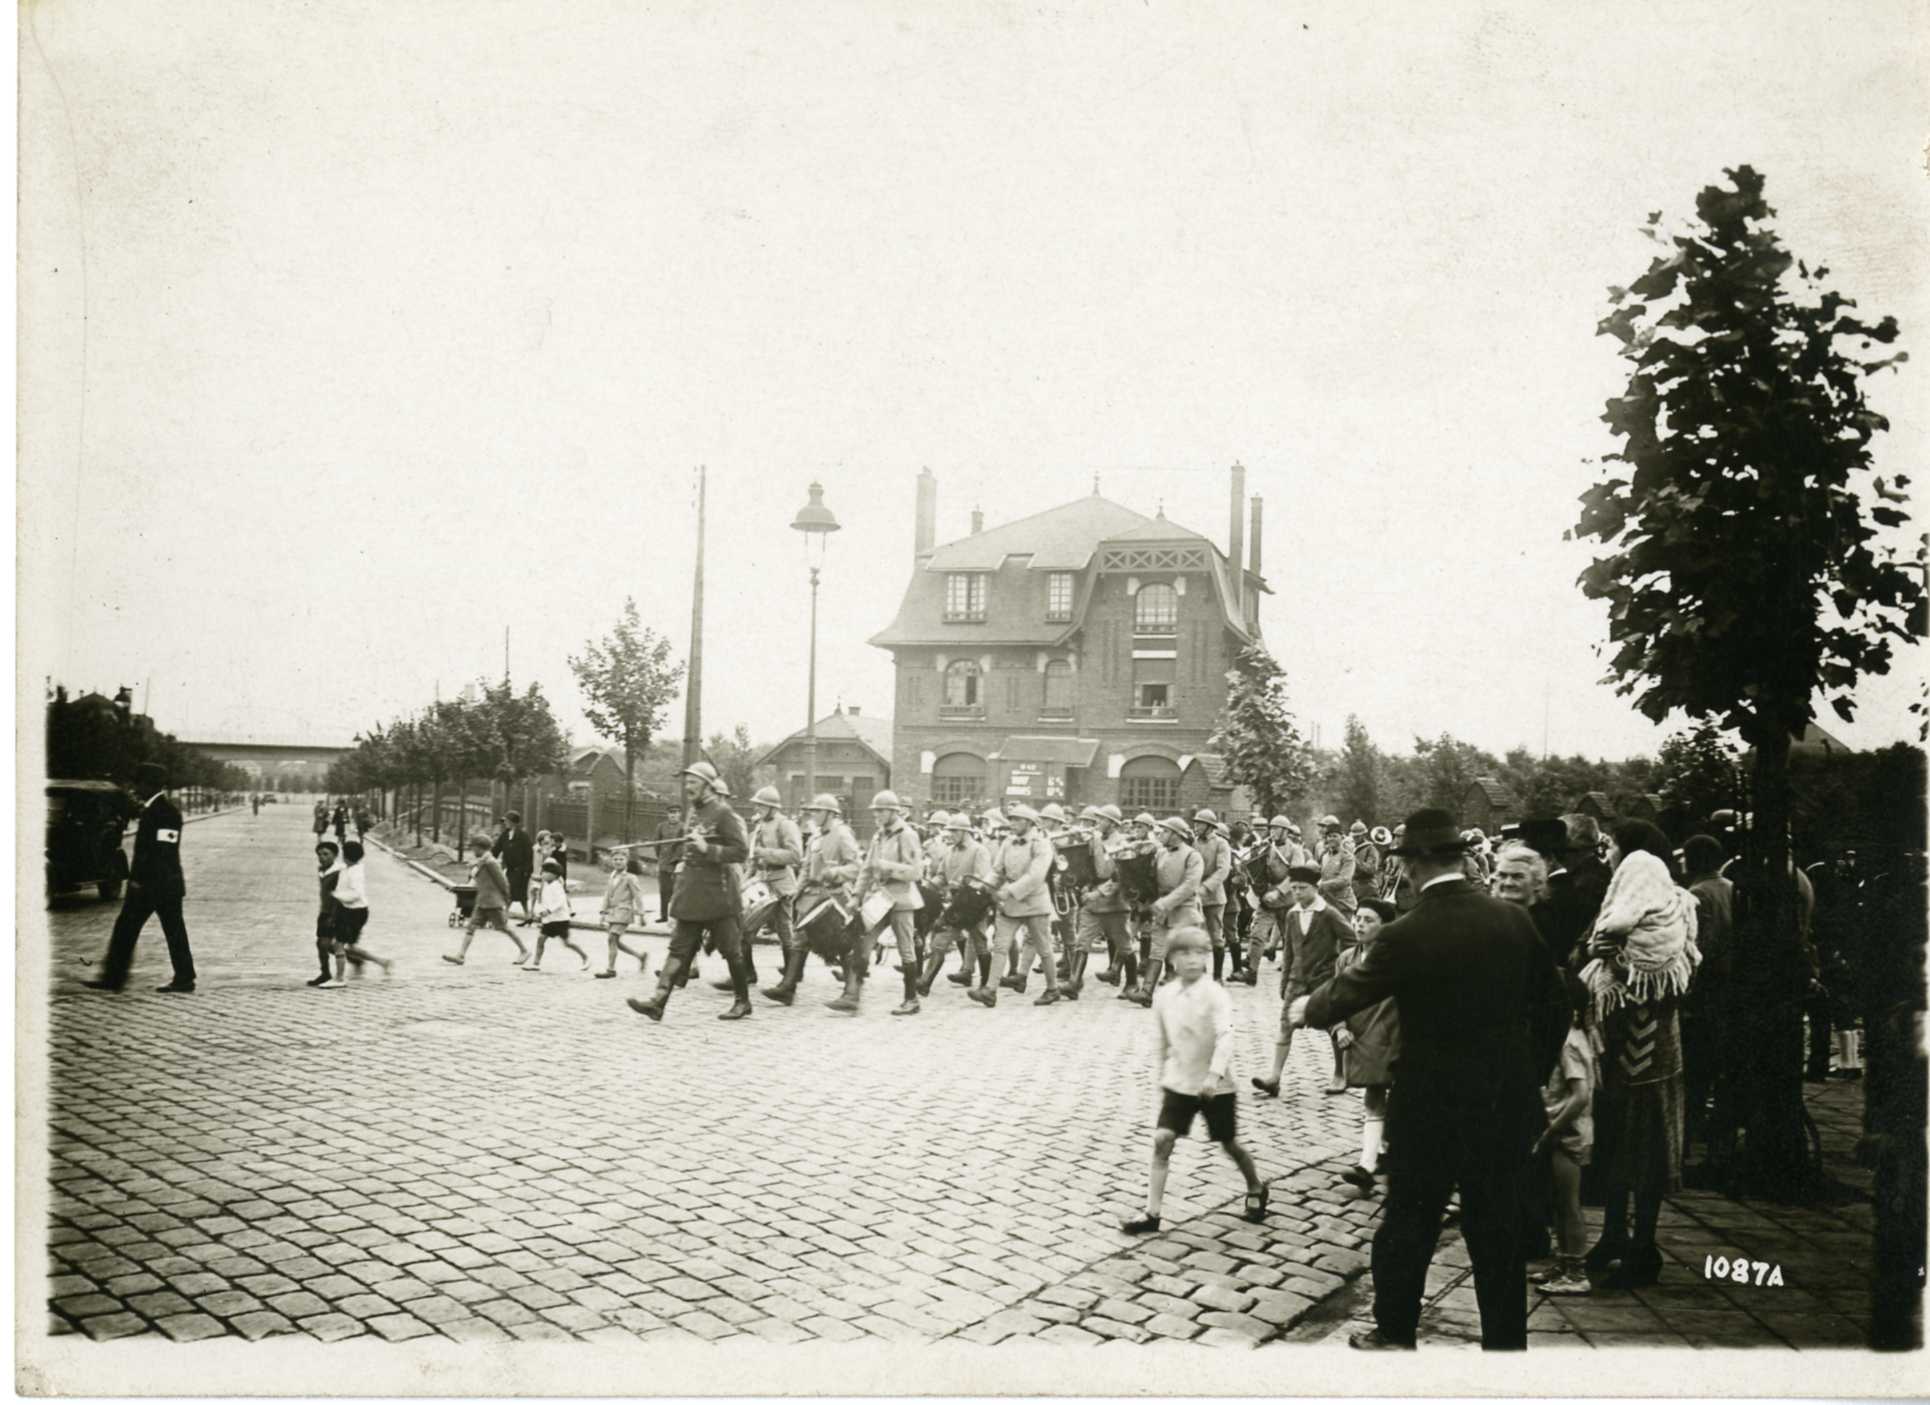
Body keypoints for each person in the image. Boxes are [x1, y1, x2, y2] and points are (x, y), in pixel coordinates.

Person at [1288, 808, 1563, 1352]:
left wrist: (1307, 1008)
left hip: (1429, 1105)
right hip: (1502, 1105)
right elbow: (1556, 1009)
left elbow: (1352, 990)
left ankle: (1394, 1331)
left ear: (1413, 866)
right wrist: (1529, 1075)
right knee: (1498, 1227)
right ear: (1462, 859)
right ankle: (1505, 1343)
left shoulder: (1407, 931)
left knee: (1410, 1220)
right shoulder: (1513, 920)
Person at [1580, 819, 1699, 1290]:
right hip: (1633, 1048)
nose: (1607, 856)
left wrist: (1608, 957)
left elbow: (1660, 978)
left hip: (1646, 1052)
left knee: (1644, 1149)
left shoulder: (1658, 915)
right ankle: (1614, 1234)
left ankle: (1642, 1246)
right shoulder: (1673, 908)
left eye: (1612, 848)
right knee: (1617, 1144)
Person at [1118, 926, 1269, 1234]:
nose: (1192, 960)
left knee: (1228, 1143)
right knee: (1162, 1141)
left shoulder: (1215, 994)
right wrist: (1160, 1079)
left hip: (1216, 1085)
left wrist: (1214, 1075)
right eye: (1184, 953)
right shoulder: (1164, 995)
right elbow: (1161, 1040)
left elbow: (1226, 1035)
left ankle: (1255, 1186)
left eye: (1199, 953)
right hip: (1180, 1082)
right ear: (1171, 958)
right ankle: (1152, 1213)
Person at [628, 763, 753, 1023]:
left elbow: (740, 852)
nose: (688, 788)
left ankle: (743, 1002)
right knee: (678, 949)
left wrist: (708, 849)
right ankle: (658, 1001)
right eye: (686, 784)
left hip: (718, 896)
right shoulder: (694, 814)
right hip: (693, 895)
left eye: (693, 783)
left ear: (708, 784)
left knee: (731, 951)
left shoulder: (723, 813)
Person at [87, 763, 197, 994]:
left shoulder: (166, 813)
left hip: (159, 885)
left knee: (161, 930)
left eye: (140, 783)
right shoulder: (155, 810)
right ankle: (115, 977)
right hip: (159, 885)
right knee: (138, 928)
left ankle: (117, 978)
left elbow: (163, 852)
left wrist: (141, 881)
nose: (136, 788)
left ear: (152, 784)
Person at [1250, 864, 1348, 1096]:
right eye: (1293, 888)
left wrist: (1339, 968)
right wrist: (1284, 982)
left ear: (1315, 888)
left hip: (1323, 980)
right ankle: (1274, 1077)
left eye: (1302, 888)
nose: (1297, 893)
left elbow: (1351, 940)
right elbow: (1289, 952)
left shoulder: (1329, 913)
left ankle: (1340, 1074)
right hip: (1296, 980)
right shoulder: (1292, 914)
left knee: (1332, 1026)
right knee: (1285, 1027)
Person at [1533, 972, 1598, 1296]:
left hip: (1568, 1135)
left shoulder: (1570, 1042)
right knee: (1559, 1203)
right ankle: (1564, 1262)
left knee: (1569, 1205)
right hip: (1563, 1132)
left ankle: (1576, 1271)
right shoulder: (1568, 1038)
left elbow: (1580, 1096)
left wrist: (1552, 1130)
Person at [773, 793, 863, 1007]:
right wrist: (798, 891)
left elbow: (857, 867)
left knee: (843, 944)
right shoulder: (815, 837)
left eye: (818, 811)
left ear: (831, 813)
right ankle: (788, 987)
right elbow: (806, 868)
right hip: (813, 896)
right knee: (800, 939)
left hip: (835, 896)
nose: (814, 815)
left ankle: (851, 995)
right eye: (813, 811)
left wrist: (835, 873)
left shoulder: (842, 834)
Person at [1336, 898, 1400, 1194]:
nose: (1359, 924)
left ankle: (1369, 1163)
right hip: (1360, 1036)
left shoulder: (1398, 959)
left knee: (1388, 1096)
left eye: (1368, 920)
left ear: (1385, 927)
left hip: (1392, 1035)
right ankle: (1376, 1157)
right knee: (1375, 1096)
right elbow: (1335, 997)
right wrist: (1339, 1027)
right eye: (1357, 918)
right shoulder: (1347, 958)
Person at [1680, 833, 1733, 1173]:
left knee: (1694, 1077)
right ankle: (1717, 1146)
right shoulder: (1731, 887)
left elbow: (1700, 948)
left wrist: (1687, 992)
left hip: (1705, 994)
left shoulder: (1698, 894)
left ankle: (1684, 1148)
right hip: (1728, 992)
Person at [849, 791, 928, 1016]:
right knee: (863, 940)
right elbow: (866, 868)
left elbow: (916, 871)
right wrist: (856, 895)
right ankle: (852, 995)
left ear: (894, 811)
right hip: (881, 898)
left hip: (902, 898)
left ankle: (911, 999)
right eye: (875, 811)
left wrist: (886, 866)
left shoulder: (907, 835)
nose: (877, 815)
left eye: (881, 811)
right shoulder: (879, 836)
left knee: (906, 949)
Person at [971, 804, 1057, 1009]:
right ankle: (990, 990)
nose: (1012, 824)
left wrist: (1009, 891)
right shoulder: (1007, 843)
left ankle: (1053, 988)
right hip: (1010, 903)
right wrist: (984, 884)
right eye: (1011, 819)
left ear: (1029, 822)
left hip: (1034, 901)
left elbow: (1036, 876)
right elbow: (997, 870)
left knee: (1043, 947)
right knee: (1000, 946)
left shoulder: (1042, 844)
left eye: (1017, 820)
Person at [915, 813, 997, 998]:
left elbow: (982, 879)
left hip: (974, 905)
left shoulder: (979, 851)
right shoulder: (950, 852)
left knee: (980, 943)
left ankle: (986, 987)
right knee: (939, 941)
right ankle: (925, 982)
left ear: (964, 831)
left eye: (953, 831)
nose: (949, 835)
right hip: (956, 906)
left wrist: (963, 884)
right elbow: (942, 876)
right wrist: (929, 884)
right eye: (949, 831)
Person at [1129, 816, 1205, 1007]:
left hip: (1184, 910)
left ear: (1176, 835)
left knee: (1187, 954)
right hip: (1162, 910)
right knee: (1157, 950)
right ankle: (1146, 992)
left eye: (1164, 831)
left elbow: (1190, 885)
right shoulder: (1160, 854)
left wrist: (1166, 902)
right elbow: (1151, 879)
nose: (1160, 834)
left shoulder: (1192, 856)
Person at [1075, 805, 1136, 992]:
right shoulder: (1095, 840)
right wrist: (1086, 885)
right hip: (1094, 904)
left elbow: (1121, 878)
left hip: (1115, 903)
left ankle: (1132, 983)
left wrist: (1098, 892)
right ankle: (1074, 982)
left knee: (1124, 946)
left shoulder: (1123, 843)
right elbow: (1091, 868)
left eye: (1101, 819)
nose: (1097, 823)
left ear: (1111, 823)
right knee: (1082, 941)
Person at [445, 834, 531, 965]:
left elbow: (503, 882)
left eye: (474, 848)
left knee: (504, 928)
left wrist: (506, 898)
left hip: (492, 902)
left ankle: (524, 950)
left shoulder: (491, 862)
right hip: (482, 901)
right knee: (471, 927)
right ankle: (461, 955)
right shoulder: (483, 861)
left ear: (480, 848)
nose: (473, 851)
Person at [324, 840, 393, 983]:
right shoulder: (348, 868)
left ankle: (339, 978)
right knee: (346, 946)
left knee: (337, 944)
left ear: (347, 856)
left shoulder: (355, 873)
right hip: (347, 910)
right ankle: (381, 962)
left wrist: (336, 895)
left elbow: (356, 893)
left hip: (355, 912)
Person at [525, 858, 590, 972]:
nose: (543, 874)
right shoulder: (545, 885)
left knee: (567, 943)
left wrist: (549, 910)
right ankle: (536, 963)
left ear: (554, 875)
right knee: (541, 939)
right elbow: (543, 900)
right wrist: (540, 911)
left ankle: (585, 957)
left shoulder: (557, 886)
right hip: (549, 919)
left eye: (546, 872)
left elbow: (560, 901)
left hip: (560, 919)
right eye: (543, 872)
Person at [1194, 809, 1234, 983]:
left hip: (1214, 896)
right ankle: (1200, 975)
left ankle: (1217, 977)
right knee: (1197, 935)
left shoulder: (1221, 844)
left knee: (1216, 936)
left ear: (1209, 826)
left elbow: (1223, 870)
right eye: (1195, 823)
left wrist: (1206, 887)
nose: (1196, 826)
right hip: (1194, 895)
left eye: (1199, 823)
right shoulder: (1193, 843)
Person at [597, 856, 651, 979]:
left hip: (624, 911)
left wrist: (641, 914)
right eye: (615, 859)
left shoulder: (631, 878)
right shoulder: (612, 877)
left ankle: (610, 970)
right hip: (612, 912)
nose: (618, 862)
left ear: (626, 862)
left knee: (612, 938)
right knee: (615, 942)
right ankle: (640, 956)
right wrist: (603, 913)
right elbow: (607, 896)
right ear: (612, 861)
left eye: (621, 859)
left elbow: (638, 896)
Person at [308, 840, 343, 988]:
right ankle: (325, 972)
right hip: (324, 911)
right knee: (321, 944)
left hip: (334, 913)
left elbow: (339, 895)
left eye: (326, 854)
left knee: (326, 944)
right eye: (320, 854)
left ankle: (330, 973)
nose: (322, 857)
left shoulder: (339, 872)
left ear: (335, 855)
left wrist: (334, 916)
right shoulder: (322, 870)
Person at [496, 813, 535, 927]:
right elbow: (496, 849)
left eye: (507, 821)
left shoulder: (523, 836)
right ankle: (528, 916)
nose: (505, 823)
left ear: (513, 822)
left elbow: (529, 854)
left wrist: (527, 870)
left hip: (522, 870)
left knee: (511, 893)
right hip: (511, 869)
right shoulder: (505, 835)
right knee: (519, 895)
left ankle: (504, 917)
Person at [1316, 815, 1359, 917]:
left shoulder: (1347, 857)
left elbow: (1344, 880)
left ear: (1341, 838)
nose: (1332, 839)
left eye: (1335, 836)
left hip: (1343, 904)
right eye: (1329, 836)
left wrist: (1322, 886)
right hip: (1327, 903)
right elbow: (1322, 875)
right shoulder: (1324, 856)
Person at [653, 810, 685, 925]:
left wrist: (679, 859)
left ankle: (675, 916)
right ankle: (664, 915)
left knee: (677, 890)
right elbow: (656, 844)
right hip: (664, 862)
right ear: (667, 814)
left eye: (676, 813)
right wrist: (661, 857)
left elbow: (684, 845)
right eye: (671, 813)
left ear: (679, 814)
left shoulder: (683, 827)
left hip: (678, 863)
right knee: (664, 890)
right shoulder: (661, 826)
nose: (673, 815)